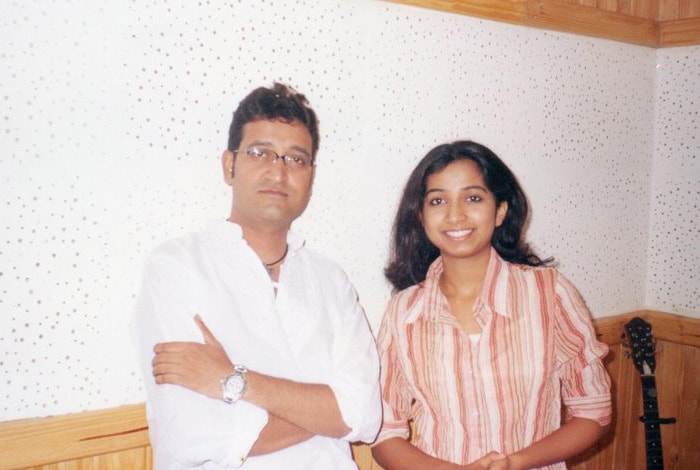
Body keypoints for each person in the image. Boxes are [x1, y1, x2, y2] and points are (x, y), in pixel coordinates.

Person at [131, 83, 381, 469]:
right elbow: (194, 433)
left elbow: (364, 414)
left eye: (296, 159)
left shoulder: (331, 280)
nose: (278, 171)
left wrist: (234, 380)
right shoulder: (177, 267)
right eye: (260, 152)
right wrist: (328, 412)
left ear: (311, 177)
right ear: (229, 165)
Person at [370, 141, 612, 470]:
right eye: (438, 200)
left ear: (500, 210)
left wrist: (514, 462)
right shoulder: (403, 312)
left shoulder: (550, 293)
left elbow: (593, 412)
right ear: (421, 216)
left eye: (473, 198)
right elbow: (385, 434)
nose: (455, 214)